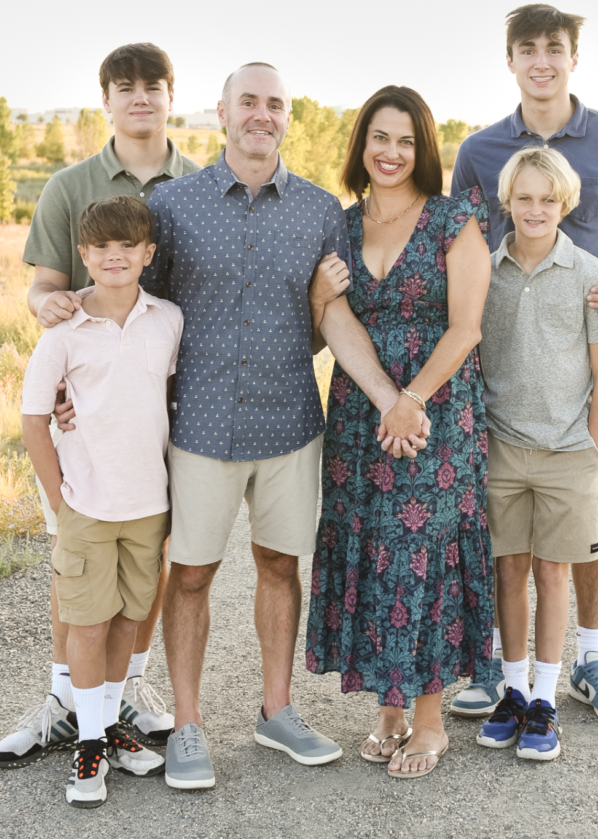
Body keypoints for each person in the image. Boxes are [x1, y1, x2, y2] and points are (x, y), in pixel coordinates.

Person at [140, 63, 430, 790]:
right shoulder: (173, 204)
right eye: (248, 101)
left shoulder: (320, 211)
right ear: (222, 113)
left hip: (289, 424)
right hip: (200, 425)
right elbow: (140, 314)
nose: (260, 114)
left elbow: (330, 316)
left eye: (274, 103)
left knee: (279, 565)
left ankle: (276, 711)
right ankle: (186, 726)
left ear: (287, 117)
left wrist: (396, 396)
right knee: (192, 574)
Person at [0, 43, 200, 768]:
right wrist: (58, 320)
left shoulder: (200, 184)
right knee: (75, 562)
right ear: (105, 98)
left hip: (163, 405)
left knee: (150, 555)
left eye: (153, 87)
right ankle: (62, 700)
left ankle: (123, 696)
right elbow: (43, 286)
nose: (139, 98)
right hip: (85, 406)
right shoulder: (69, 185)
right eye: (124, 87)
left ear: (171, 95)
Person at [450, 4, 598, 722]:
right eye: (526, 48)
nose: (540, 60)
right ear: (508, 60)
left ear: (573, 57)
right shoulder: (480, 152)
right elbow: (458, 254)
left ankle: (592, 658)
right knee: (502, 521)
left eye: (554, 48)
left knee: (592, 508)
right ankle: (499, 666)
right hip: (507, 370)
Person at [306, 85, 494, 781]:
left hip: (436, 410)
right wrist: (384, 398)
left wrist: (411, 399)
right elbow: (332, 318)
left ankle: (430, 719)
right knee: (371, 548)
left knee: (424, 550)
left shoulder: (453, 220)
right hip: (361, 413)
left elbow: (466, 325)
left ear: (424, 150)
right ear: (360, 145)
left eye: (405, 141)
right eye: (378, 138)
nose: (390, 153)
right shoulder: (339, 226)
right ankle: (386, 709)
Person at [21, 196, 181, 806]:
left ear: (147, 254)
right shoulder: (63, 334)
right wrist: (60, 504)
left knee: (126, 619)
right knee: (86, 623)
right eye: (101, 249)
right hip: (86, 504)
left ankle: (110, 723)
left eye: (127, 247)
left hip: (147, 503)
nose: (114, 257)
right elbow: (35, 420)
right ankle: (89, 743)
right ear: (83, 256)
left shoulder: (168, 320)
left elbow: (168, 397)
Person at [474, 148, 598, 761]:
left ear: (566, 204)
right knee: (508, 568)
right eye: (524, 198)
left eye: (547, 199)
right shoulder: (483, 270)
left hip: (567, 453)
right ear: (507, 202)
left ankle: (545, 700)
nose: (535, 210)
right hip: (502, 447)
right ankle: (510, 689)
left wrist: (592, 445)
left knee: (553, 572)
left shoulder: (589, 274)